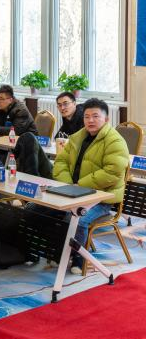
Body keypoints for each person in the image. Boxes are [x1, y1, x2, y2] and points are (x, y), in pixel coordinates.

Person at [52, 98, 130, 268]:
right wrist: (69, 185)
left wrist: (81, 186)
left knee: (77, 219)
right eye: (87, 117)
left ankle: (79, 261)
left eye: (96, 116)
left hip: (101, 198)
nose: (90, 120)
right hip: (73, 192)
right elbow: (60, 162)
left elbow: (112, 172)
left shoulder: (115, 141)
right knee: (39, 209)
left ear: (106, 119)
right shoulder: (77, 137)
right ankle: (55, 253)